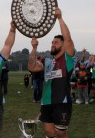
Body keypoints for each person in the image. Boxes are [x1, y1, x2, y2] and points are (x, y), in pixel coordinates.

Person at [28, 7, 75, 138]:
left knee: (61, 132)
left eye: (56, 42)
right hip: (46, 102)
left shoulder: (68, 59)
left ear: (63, 45)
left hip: (62, 101)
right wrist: (34, 48)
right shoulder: (47, 61)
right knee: (49, 132)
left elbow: (68, 39)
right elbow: (31, 67)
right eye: (52, 42)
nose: (52, 44)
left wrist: (60, 18)